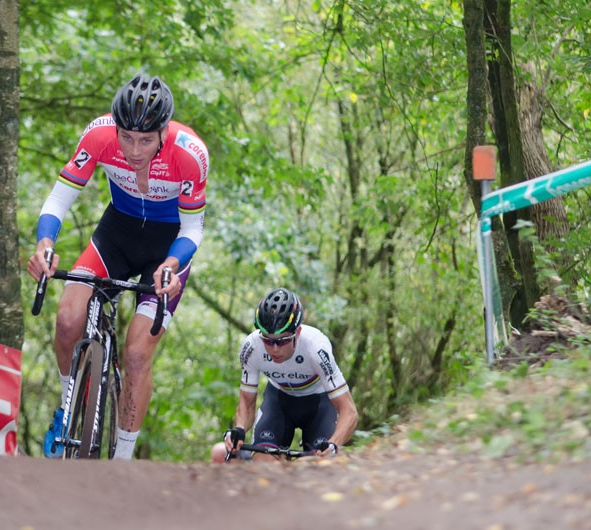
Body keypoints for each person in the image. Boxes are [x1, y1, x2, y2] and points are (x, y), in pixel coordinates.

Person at [27, 73, 209, 460]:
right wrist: (45, 245)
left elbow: (193, 226)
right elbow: (60, 197)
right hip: (117, 235)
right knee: (67, 317)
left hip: (167, 250)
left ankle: (122, 461)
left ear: (164, 131)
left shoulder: (189, 152)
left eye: (146, 140)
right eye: (126, 137)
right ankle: (67, 408)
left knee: (139, 354)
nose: (134, 149)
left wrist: (172, 265)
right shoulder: (98, 135)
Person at [211, 287, 358, 463]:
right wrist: (240, 429)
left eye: (282, 341)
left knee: (322, 466)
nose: (274, 349)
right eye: (268, 340)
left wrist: (333, 445)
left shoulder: (316, 347)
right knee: (264, 463)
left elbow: (349, 412)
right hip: (279, 401)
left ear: (297, 332)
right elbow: (246, 403)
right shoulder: (252, 347)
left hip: (319, 404)